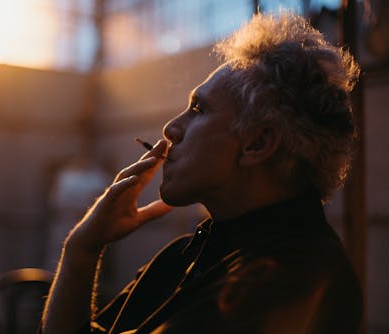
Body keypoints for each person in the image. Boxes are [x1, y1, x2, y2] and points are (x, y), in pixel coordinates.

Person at [41, 12, 362, 334]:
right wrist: (83, 249)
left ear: (258, 143)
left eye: (198, 109)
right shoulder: (182, 257)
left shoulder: (287, 278)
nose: (171, 129)